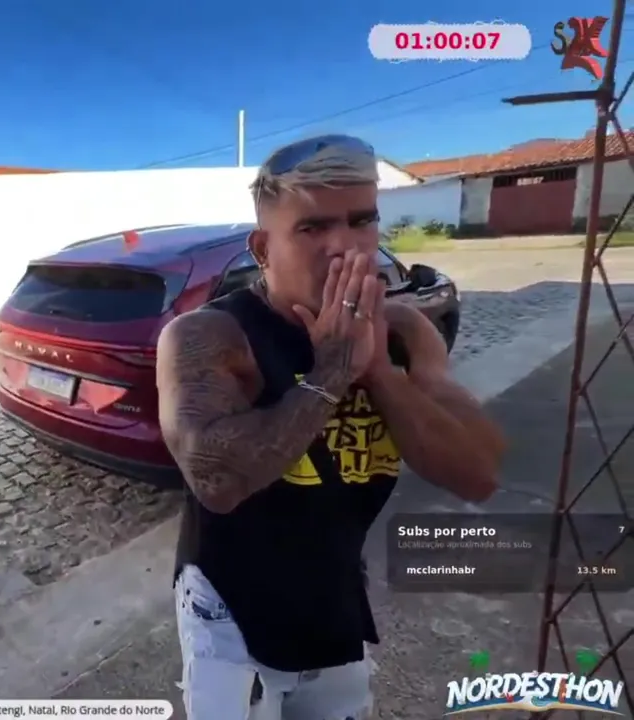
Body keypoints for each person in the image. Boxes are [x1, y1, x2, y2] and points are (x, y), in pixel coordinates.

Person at [156, 134, 507, 720]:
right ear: (263, 248)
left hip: (334, 596)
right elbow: (216, 482)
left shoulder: (403, 331)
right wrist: (333, 371)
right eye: (313, 227)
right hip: (230, 609)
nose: (345, 245)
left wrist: (379, 372)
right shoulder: (209, 336)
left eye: (362, 220)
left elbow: (479, 473)